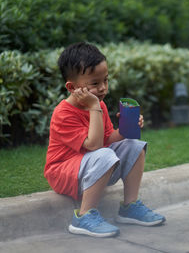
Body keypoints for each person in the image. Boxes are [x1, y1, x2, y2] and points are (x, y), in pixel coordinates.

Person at [44, 42, 165, 238]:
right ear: (72, 87)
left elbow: (108, 139)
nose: (102, 88)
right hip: (63, 171)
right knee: (104, 154)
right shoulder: (63, 114)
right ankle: (83, 216)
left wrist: (127, 127)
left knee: (134, 145)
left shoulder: (98, 105)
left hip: (93, 163)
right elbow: (94, 145)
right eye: (94, 83)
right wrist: (94, 108)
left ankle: (130, 206)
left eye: (105, 80)